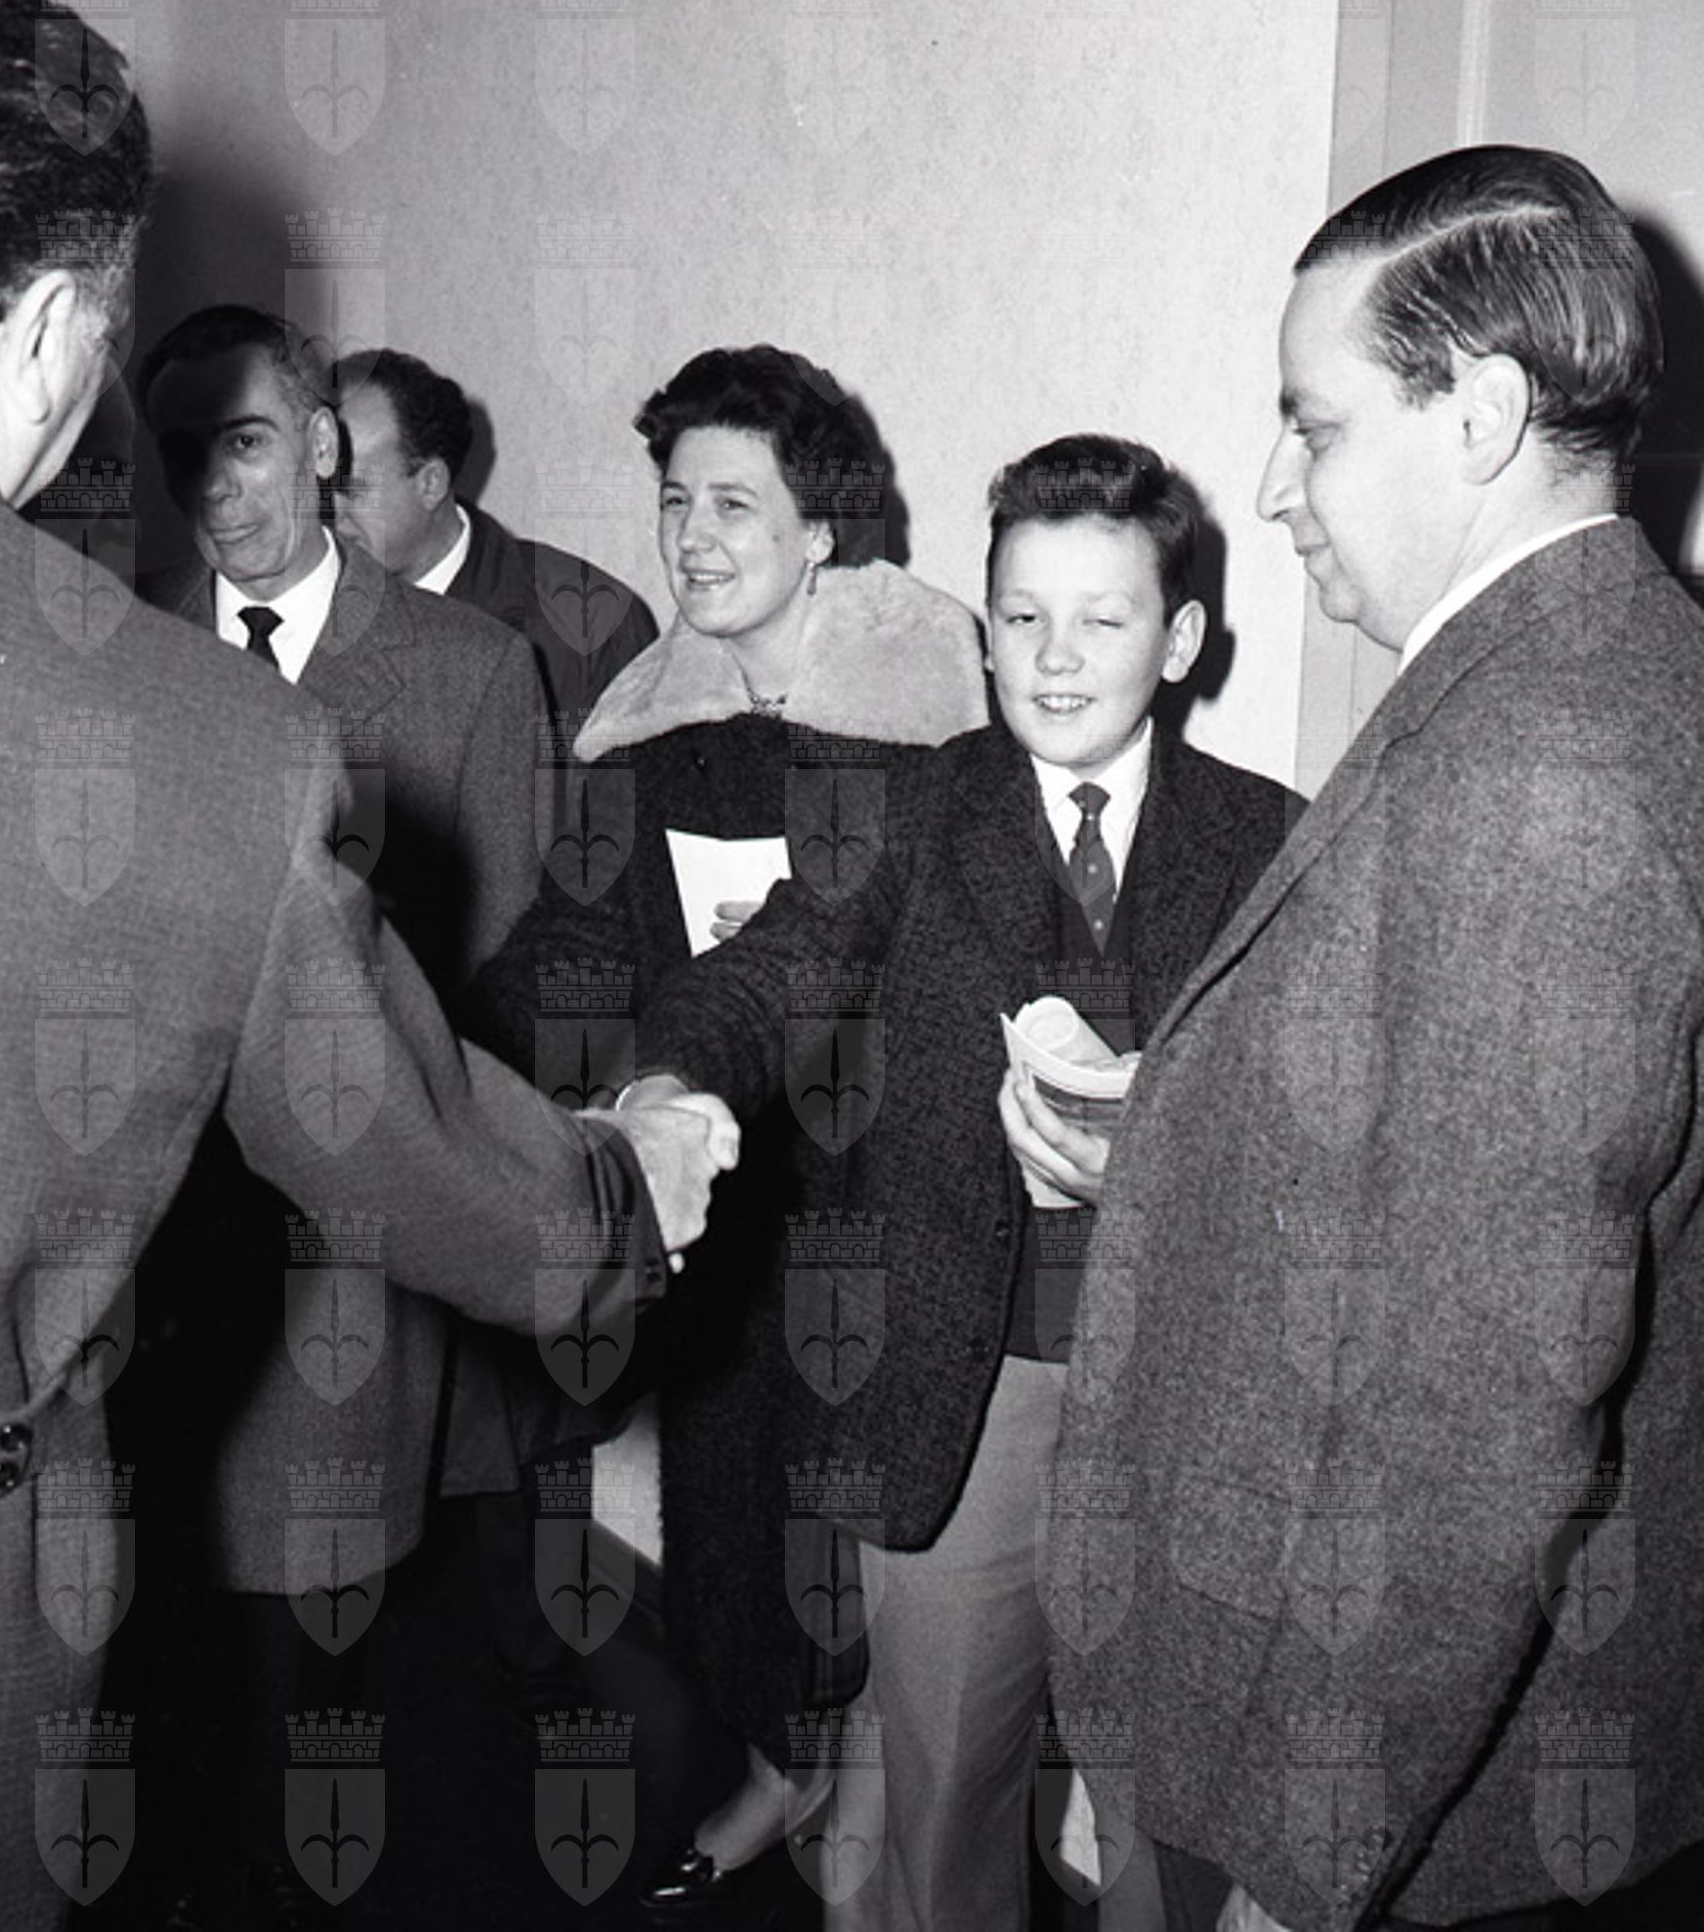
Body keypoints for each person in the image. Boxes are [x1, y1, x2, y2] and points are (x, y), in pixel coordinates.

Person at [0, 0, 732, 1929]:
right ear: (46, 332)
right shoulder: (179, 734)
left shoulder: (415, 671)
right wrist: (632, 1181)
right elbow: (427, 1159)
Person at [1030, 146, 1704, 1932]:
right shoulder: (1602, 673)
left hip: (1391, 1787)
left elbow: (1477, 1414)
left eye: (1312, 426)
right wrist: (1180, 1130)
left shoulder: (1539, 773)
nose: (1271, 487)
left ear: (1477, 415)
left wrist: (1298, 1851)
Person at [600, 428, 1302, 1930]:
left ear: (1181, 639)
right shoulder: (910, 816)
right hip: (959, 1402)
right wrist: (669, 1082)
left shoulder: (1272, 839)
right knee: (941, 1806)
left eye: (1102, 618)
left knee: (1169, 1820)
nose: (1055, 656)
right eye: (1022, 615)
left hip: (1184, 1400)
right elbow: (772, 969)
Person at [465, 344, 988, 1917]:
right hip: (723, 1198)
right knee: (735, 1521)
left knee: (886, 1532)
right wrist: (437, 1051)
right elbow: (572, 947)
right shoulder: (650, 731)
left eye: (734, 504)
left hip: (898, 1201)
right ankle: (778, 1765)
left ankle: (878, 1801)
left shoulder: (939, 728)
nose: (692, 536)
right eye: (675, 500)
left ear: (821, 528)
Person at [140, 308, 543, 1000]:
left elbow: (503, 968)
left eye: (245, 443)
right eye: (183, 454)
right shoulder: (122, 633)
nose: (214, 486)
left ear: (322, 447)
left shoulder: (476, 668)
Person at [330, 345, 658, 732]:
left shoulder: (590, 624)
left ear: (430, 484)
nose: (326, 512)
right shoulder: (291, 606)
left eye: (349, 488)